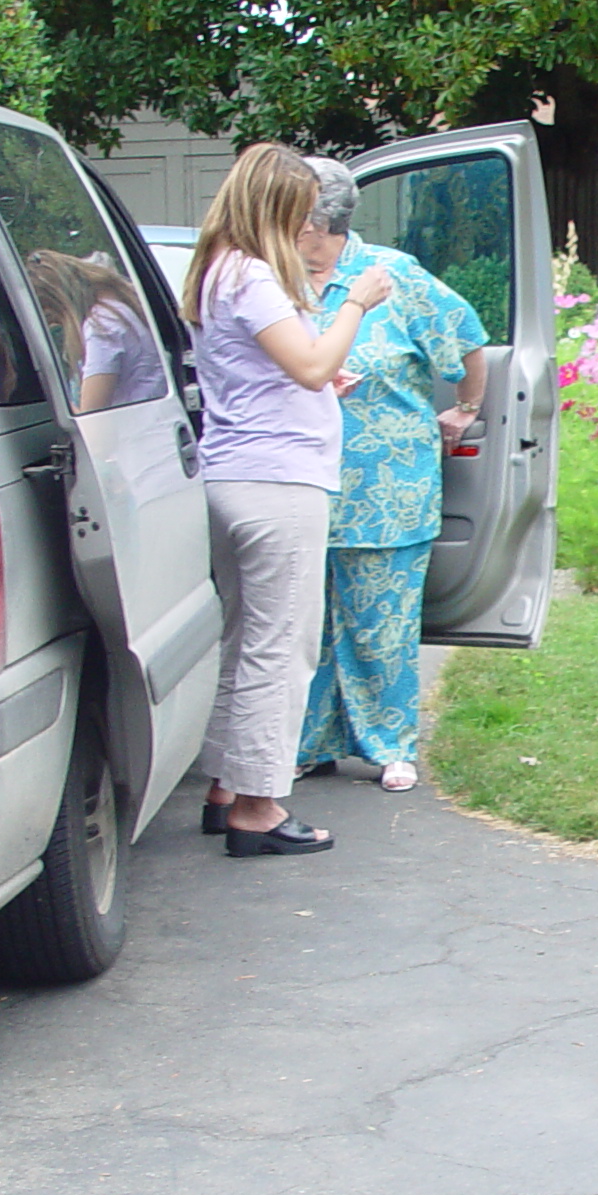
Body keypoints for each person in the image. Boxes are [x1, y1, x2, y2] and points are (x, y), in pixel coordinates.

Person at [187, 143, 390, 857]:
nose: (310, 228)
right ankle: (258, 809)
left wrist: (320, 377)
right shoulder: (252, 275)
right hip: (279, 484)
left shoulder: (217, 271)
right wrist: (356, 306)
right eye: (302, 213)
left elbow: (275, 372)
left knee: (245, 642)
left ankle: (223, 786)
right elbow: (309, 365)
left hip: (233, 472)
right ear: (273, 207)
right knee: (283, 648)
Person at [292, 158, 490, 792]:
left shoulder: (391, 275)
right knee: (308, 625)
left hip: (387, 484)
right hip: (299, 481)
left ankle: (390, 744)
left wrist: (466, 408)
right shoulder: (273, 277)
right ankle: (307, 743)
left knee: (384, 622)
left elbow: (465, 338)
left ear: (317, 222)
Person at [23, 249, 168, 412]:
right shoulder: (119, 308)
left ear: (60, 302)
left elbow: (91, 417)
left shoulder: (101, 327)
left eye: (53, 316)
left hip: (133, 430)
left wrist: (52, 397)